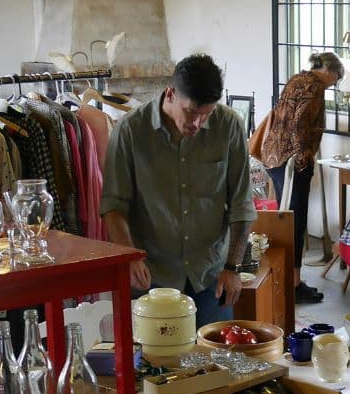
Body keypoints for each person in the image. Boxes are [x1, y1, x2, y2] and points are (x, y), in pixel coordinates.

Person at [101, 53, 255, 327]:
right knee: (154, 366)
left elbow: (242, 204)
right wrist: (129, 256)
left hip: (210, 278)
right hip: (151, 278)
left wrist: (233, 267)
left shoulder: (229, 126)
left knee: (215, 364)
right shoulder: (130, 131)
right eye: (191, 112)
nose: (197, 123)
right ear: (170, 94)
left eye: (206, 114)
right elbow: (114, 205)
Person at [255, 51, 345, 305]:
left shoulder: (297, 79)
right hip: (291, 161)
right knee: (295, 221)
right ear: (330, 71)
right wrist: (302, 159)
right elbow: (298, 125)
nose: (334, 83)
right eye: (337, 78)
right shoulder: (314, 87)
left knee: (290, 220)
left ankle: (291, 280)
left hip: (274, 156)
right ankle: (291, 285)